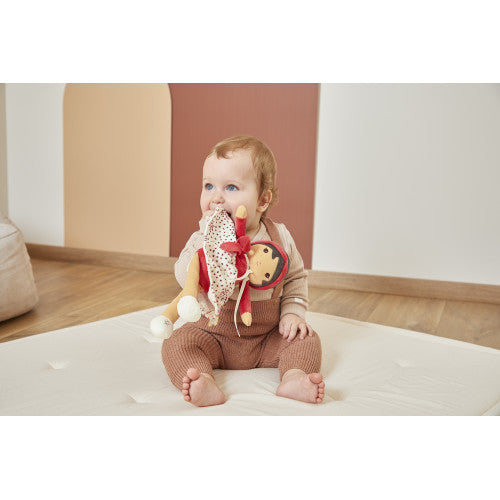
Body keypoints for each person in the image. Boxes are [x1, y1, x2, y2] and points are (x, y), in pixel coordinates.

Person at [161, 135, 324, 406]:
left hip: (266, 337)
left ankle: (294, 377)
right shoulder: (202, 238)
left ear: (262, 200)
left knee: (307, 339)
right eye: (209, 186)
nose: (216, 198)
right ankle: (202, 379)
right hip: (211, 333)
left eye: (231, 187)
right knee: (176, 342)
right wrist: (205, 238)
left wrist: (293, 314)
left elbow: (295, 278)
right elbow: (183, 276)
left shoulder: (279, 237)